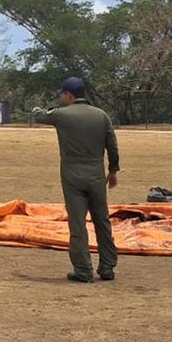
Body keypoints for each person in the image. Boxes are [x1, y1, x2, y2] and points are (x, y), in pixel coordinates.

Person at [32, 77, 121, 283]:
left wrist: (36, 109)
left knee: (78, 223)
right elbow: (113, 145)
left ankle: (83, 269)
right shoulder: (101, 115)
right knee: (102, 221)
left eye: (63, 94)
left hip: (72, 175)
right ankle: (107, 267)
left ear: (68, 95)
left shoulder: (62, 114)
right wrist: (113, 170)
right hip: (97, 175)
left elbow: (40, 116)